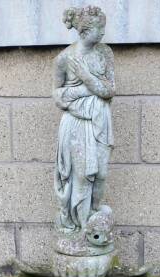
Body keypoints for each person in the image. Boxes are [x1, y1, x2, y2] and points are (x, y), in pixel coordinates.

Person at [53, 6, 115, 234]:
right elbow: (58, 95)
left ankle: (94, 211)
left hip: (101, 120)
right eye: (99, 30)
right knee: (82, 176)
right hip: (76, 123)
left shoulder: (105, 53)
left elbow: (109, 90)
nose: (102, 34)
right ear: (85, 31)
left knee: (101, 173)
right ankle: (81, 225)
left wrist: (87, 79)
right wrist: (87, 93)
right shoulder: (64, 59)